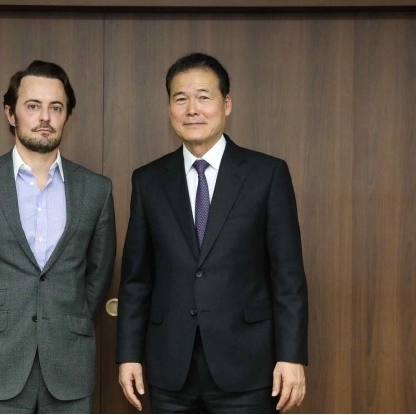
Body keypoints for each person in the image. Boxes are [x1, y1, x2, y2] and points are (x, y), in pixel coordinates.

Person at [116, 52, 308, 414]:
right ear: (169, 107)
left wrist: (292, 356)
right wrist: (128, 355)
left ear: (226, 104)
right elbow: (136, 280)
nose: (192, 109)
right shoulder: (149, 180)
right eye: (180, 98)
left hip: (248, 366)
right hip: (169, 367)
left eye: (204, 97)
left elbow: (289, 278)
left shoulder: (266, 175)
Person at [0, 60, 116, 413]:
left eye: (56, 108)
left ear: (67, 116)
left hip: (70, 369)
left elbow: (98, 274)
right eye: (33, 106)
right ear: (11, 113)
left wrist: (67, 321)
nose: (44, 117)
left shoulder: (96, 190)